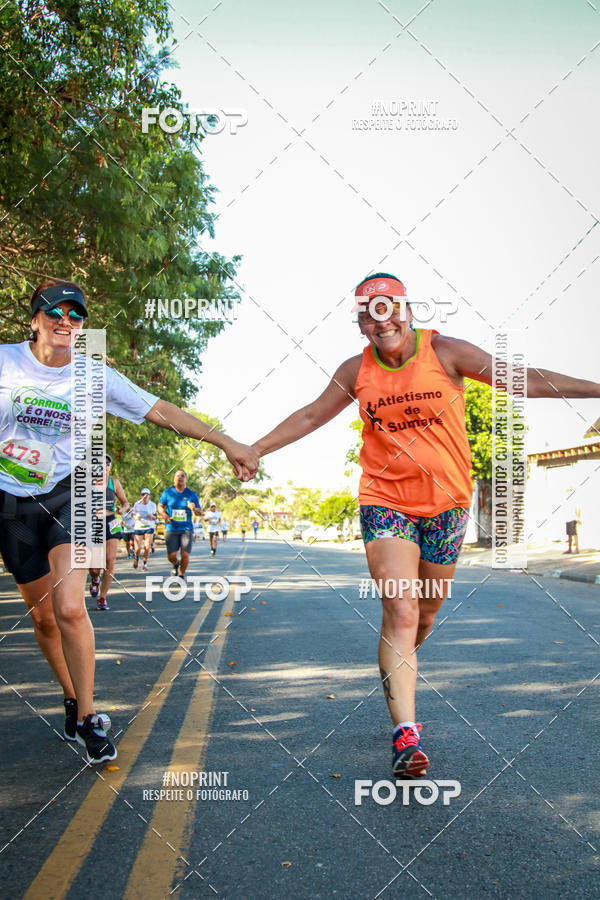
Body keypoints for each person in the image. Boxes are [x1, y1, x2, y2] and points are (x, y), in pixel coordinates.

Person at [250, 271, 600, 777]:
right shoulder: (355, 370)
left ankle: (397, 669)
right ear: (361, 326)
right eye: (369, 315)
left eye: (389, 309)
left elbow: (524, 378)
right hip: (385, 500)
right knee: (402, 607)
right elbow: (310, 416)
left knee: (425, 615)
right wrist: (256, 449)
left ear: (408, 312)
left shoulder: (446, 352)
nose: (382, 321)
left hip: (447, 505)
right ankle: (406, 736)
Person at [0, 279, 258, 765]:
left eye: (75, 315)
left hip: (70, 494)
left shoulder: (93, 375)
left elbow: (160, 410)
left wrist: (227, 442)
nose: (64, 322)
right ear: (33, 319)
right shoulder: (5, 363)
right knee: (43, 618)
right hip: (11, 503)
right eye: (54, 313)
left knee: (70, 607)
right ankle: (71, 696)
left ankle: (88, 717)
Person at [88, 454, 129, 610]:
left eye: (107, 463)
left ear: (110, 467)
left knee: (110, 560)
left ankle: (102, 598)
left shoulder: (114, 482)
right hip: (93, 522)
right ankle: (95, 579)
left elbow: (125, 503)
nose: (104, 466)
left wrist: (122, 509)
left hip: (111, 521)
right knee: (94, 569)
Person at [158, 470, 202, 580]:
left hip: (186, 528)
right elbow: (160, 506)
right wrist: (165, 515)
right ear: (174, 479)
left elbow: (199, 512)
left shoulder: (191, 494)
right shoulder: (167, 492)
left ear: (186, 479)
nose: (180, 477)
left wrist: (193, 508)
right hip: (171, 528)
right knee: (171, 556)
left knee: (185, 554)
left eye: (182, 476)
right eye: (177, 476)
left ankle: (181, 575)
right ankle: (175, 563)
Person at [132, 488, 157, 571]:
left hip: (149, 527)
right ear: (141, 496)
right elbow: (133, 514)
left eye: (147, 495)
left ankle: (145, 563)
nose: (145, 496)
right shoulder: (137, 504)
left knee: (147, 547)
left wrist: (151, 515)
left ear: (149, 496)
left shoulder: (152, 505)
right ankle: (136, 558)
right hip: (139, 527)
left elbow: (155, 517)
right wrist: (136, 517)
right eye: (143, 494)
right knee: (137, 548)